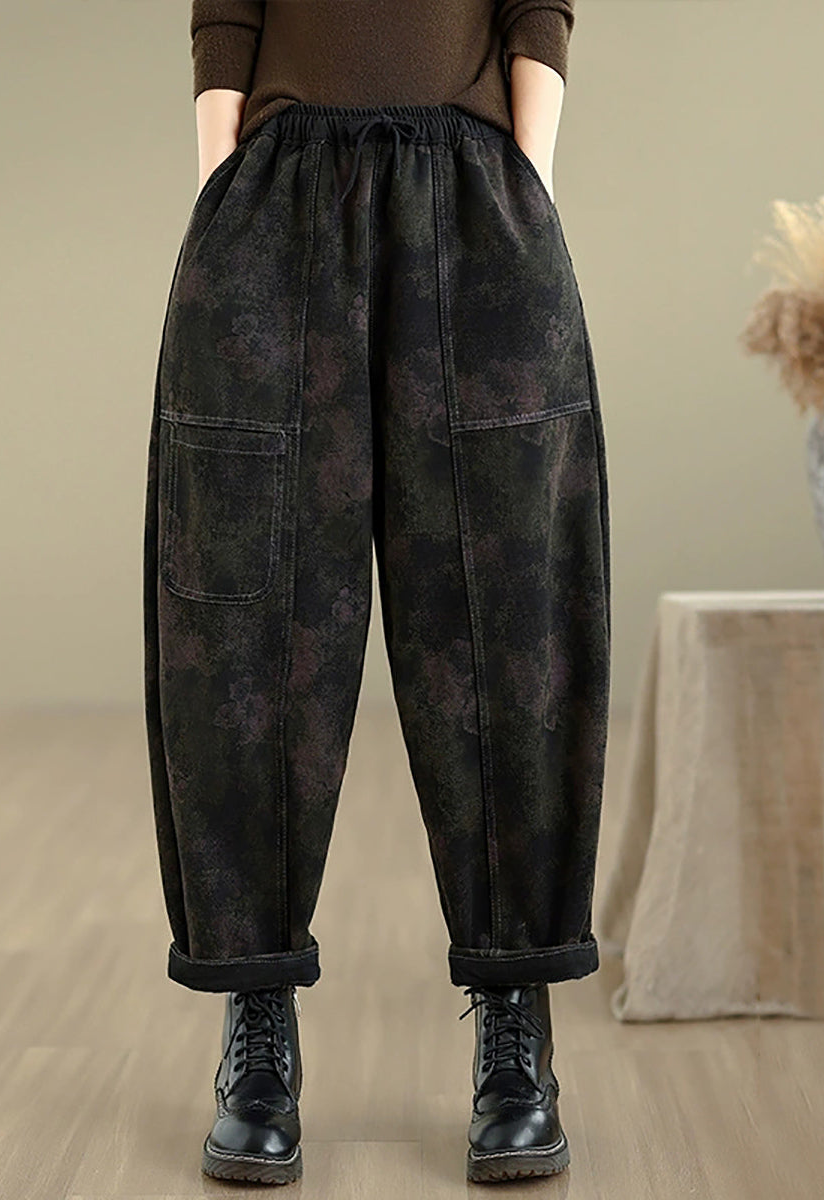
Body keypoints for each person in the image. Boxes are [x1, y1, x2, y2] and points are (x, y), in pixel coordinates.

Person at [142, 0, 610, 1185]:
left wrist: (527, 181)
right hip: (276, 199)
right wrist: (220, 194)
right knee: (247, 618)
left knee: (507, 613)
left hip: (476, 193)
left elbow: (537, 8)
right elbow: (225, 13)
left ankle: (516, 1034)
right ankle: (257, 1028)